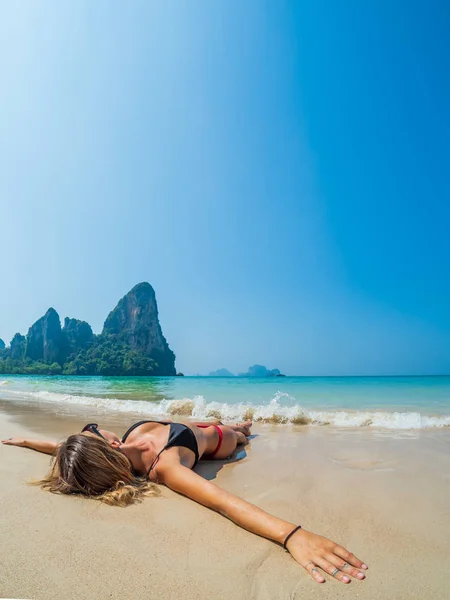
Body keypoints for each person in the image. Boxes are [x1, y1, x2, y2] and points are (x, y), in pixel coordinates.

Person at [2, 418, 368, 584]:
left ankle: (234, 422)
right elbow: (222, 501)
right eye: (95, 431)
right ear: (110, 448)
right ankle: (244, 429)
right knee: (240, 433)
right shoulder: (166, 468)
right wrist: (293, 536)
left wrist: (25, 442)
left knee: (219, 421)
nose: (94, 428)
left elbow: (65, 447)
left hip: (188, 422)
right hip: (216, 442)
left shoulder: (104, 447)